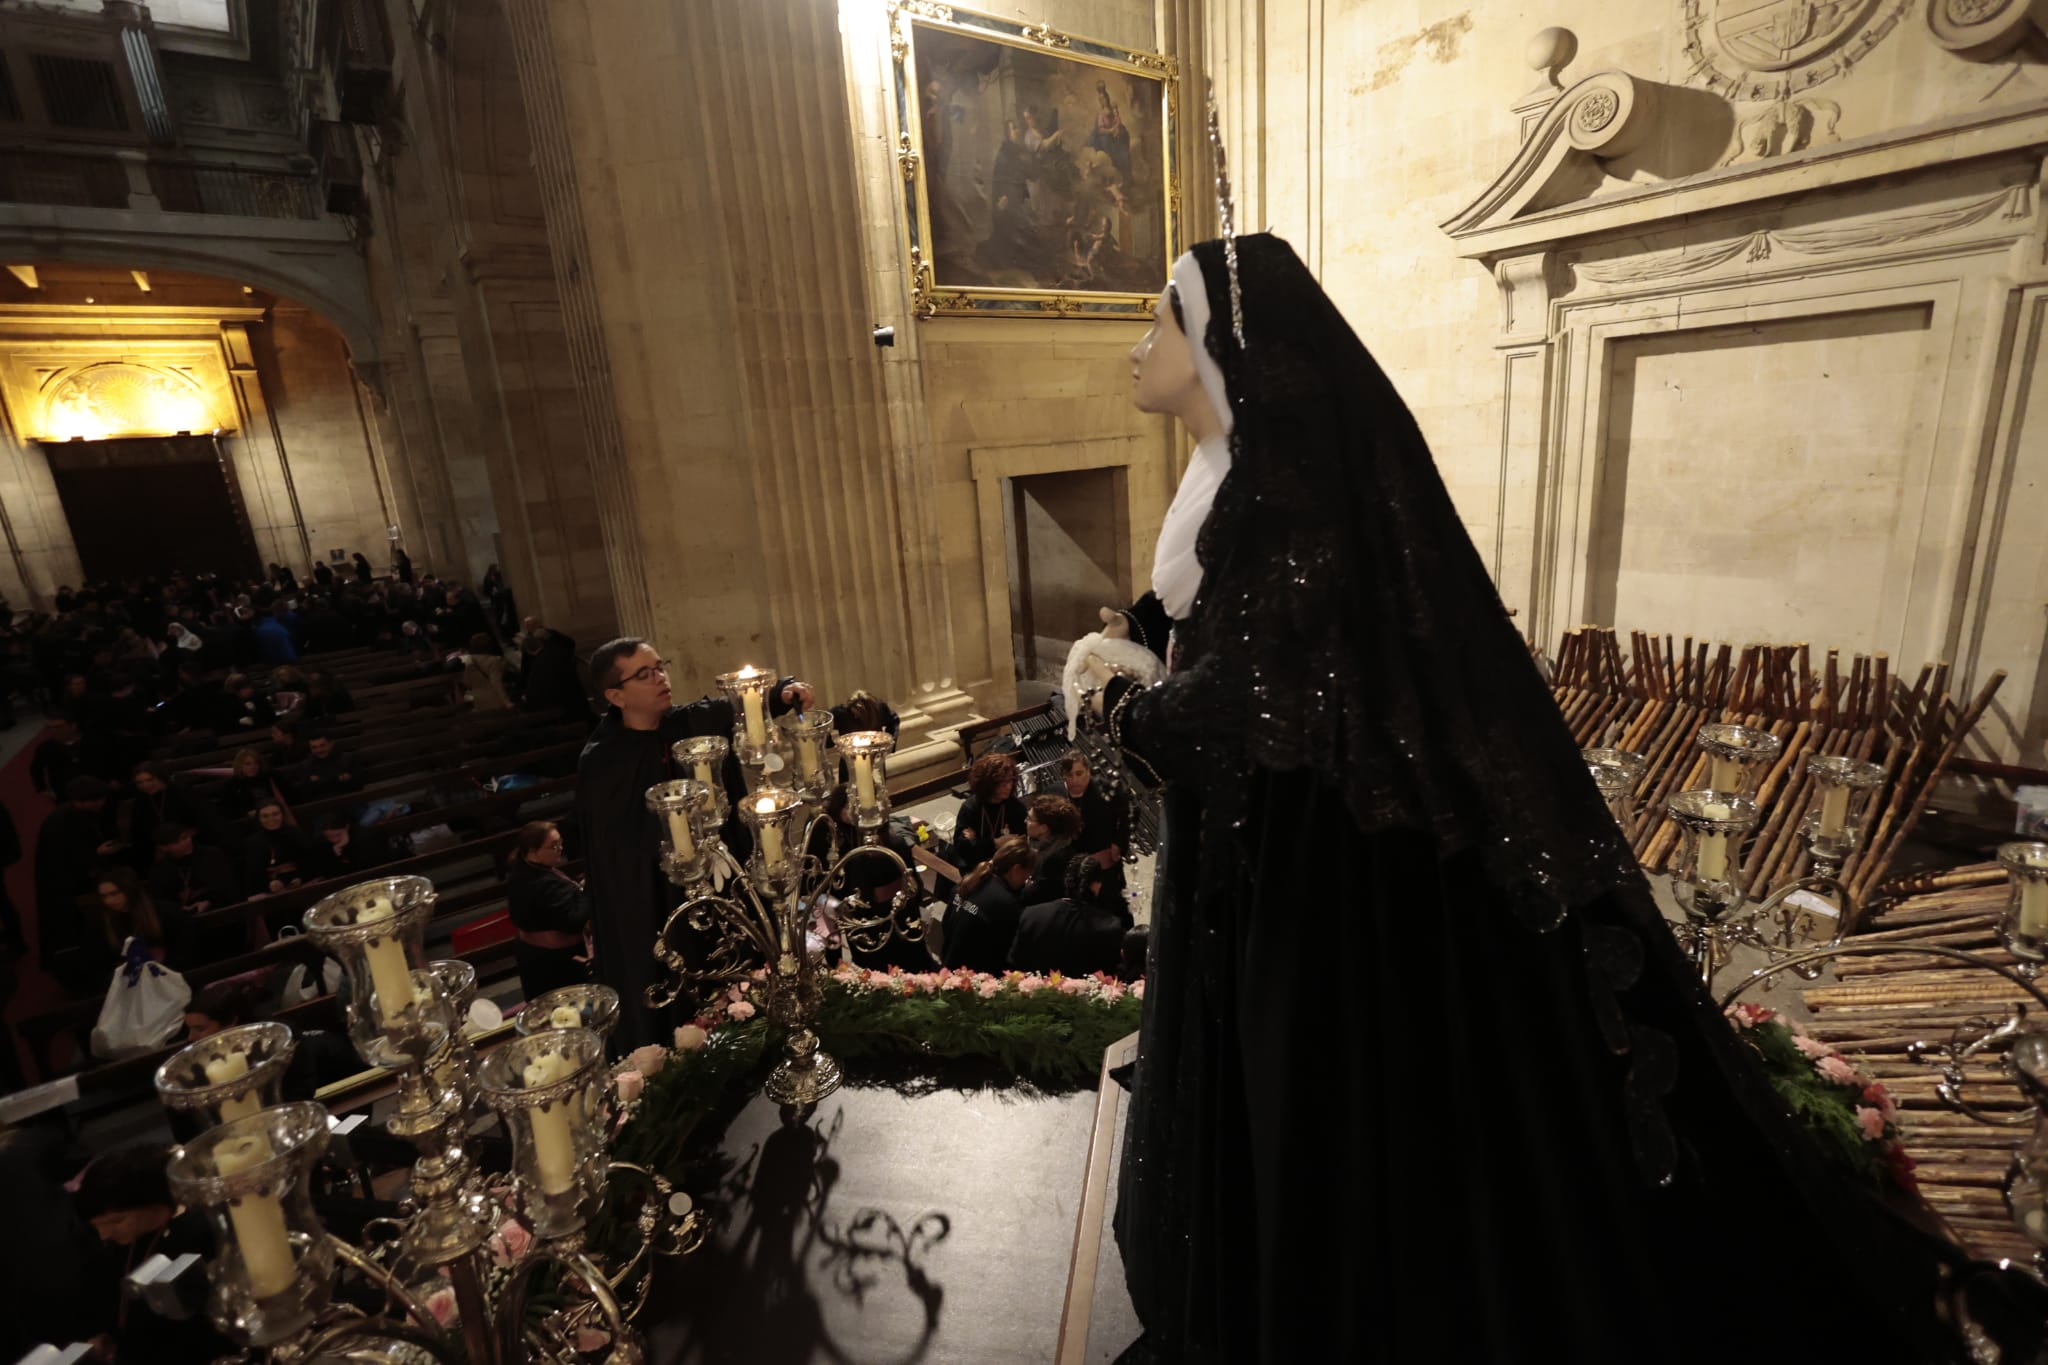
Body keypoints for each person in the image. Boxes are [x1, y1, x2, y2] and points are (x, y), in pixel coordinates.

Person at [1080, 234, 2048, 1363]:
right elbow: (1240, 648)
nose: (1136, 347)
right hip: (1266, 856)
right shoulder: (1240, 486)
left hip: (1314, 879)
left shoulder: (1279, 497)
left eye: (1156, 320)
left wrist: (1111, 713)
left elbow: (1244, 702)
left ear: (1213, 345)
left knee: (1336, 1118)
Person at [575, 639, 810, 1048]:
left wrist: (783, 690)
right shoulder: (602, 762)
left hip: (721, 889)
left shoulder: (687, 725)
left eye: (660, 667)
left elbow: (743, 706)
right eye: (644, 675)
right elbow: (617, 858)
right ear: (615, 695)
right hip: (655, 902)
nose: (661, 678)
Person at [72, 1144, 233, 1365]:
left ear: (155, 1201)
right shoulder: (125, 1242)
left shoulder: (196, 1235)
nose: (104, 1234)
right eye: (97, 1226)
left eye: (116, 1221)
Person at [35, 776, 121, 993]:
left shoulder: (76, 815)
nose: (101, 804)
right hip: (65, 890)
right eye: (95, 800)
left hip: (77, 882)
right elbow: (63, 860)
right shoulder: (61, 823)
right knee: (74, 932)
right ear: (80, 801)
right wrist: (96, 854)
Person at [1008, 852, 1131, 977]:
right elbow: (1111, 975)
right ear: (1097, 885)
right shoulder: (1109, 926)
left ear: (1066, 881)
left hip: (1037, 992)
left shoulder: (1031, 915)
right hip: (1086, 994)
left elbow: (1016, 964)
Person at [505, 820, 589, 1001]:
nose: (560, 848)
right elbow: (574, 921)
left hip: (536, 954)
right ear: (533, 851)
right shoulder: (538, 883)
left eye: (560, 842)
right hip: (553, 962)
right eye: (553, 846)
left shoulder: (525, 868)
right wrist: (588, 891)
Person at [939, 834, 1035, 975]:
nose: (1026, 880)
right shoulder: (1006, 903)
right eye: (1027, 875)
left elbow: (946, 924)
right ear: (1016, 869)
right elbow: (1009, 951)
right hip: (976, 978)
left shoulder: (969, 882)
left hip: (949, 964)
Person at [950, 752, 1026, 869]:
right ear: (988, 783)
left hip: (1007, 866)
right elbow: (963, 848)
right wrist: (995, 843)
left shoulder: (1015, 806)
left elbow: (1021, 840)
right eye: (1002, 782)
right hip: (976, 867)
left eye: (1010, 780)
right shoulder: (971, 808)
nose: (1008, 786)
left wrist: (978, 842)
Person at [243, 800, 322, 897]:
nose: (271, 819)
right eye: (265, 816)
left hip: (300, 880)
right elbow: (253, 874)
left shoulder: (296, 833)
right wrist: (269, 885)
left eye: (275, 814)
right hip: (270, 886)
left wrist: (300, 877)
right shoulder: (253, 842)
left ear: (282, 815)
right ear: (259, 819)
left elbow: (311, 860)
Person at [1018, 792, 1083, 907]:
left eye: (1029, 819)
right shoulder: (1034, 844)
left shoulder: (1057, 859)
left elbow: (1037, 895)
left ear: (1043, 828)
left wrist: (1027, 886)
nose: (1025, 821)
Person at [463, 633, 514, 710]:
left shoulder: (469, 660)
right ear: (489, 646)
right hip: (494, 700)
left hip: (479, 700)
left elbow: (467, 682)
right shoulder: (494, 661)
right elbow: (496, 682)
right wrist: (506, 702)